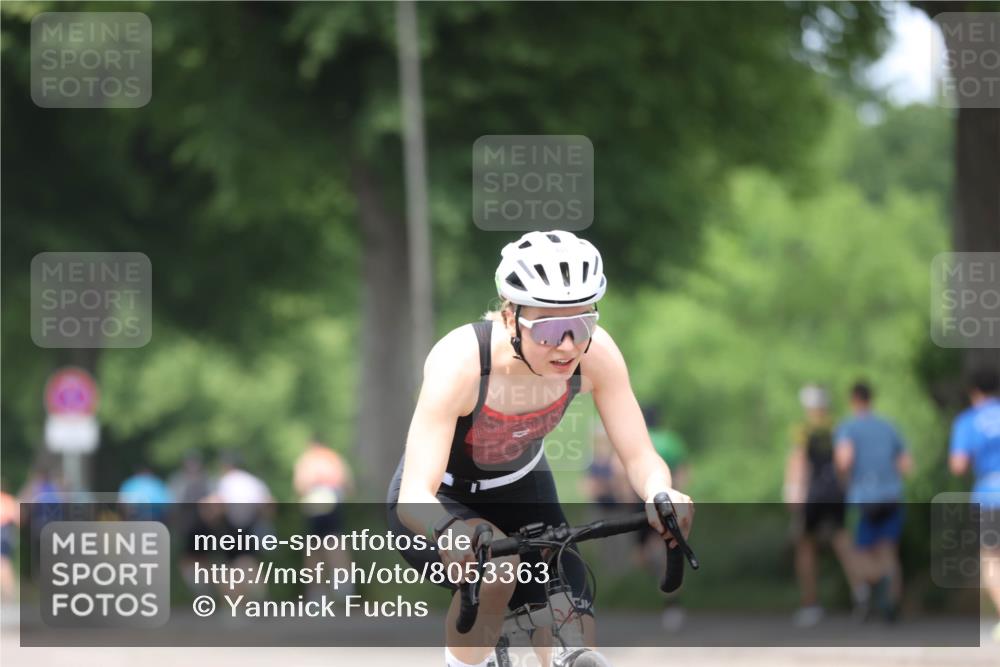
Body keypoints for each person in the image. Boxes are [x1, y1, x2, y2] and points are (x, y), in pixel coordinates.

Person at [387, 230, 694, 667]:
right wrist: (447, 530)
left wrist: (662, 493)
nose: (568, 345)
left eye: (582, 324)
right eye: (550, 329)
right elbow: (415, 492)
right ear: (511, 318)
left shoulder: (597, 355)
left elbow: (641, 457)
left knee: (575, 635)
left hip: (523, 488)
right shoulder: (462, 362)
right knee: (497, 573)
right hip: (441, 500)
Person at [834, 381, 913, 622]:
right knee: (889, 551)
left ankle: (878, 580)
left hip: (863, 498)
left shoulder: (848, 427)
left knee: (853, 549)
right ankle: (891, 603)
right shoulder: (889, 426)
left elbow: (844, 461)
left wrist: (844, 482)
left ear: (853, 399)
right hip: (891, 495)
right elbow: (906, 465)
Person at [783, 384, 857, 627]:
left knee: (805, 545)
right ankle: (861, 593)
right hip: (836, 493)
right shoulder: (838, 428)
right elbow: (844, 463)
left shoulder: (804, 431)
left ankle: (810, 604)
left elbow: (798, 461)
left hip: (813, 494)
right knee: (841, 541)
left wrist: (793, 491)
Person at [948, 366, 1000, 642]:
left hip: (989, 493)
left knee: (991, 558)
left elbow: (958, 465)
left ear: (974, 392)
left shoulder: (968, 421)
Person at [293, 437, 355, 600]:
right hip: (334, 502)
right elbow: (348, 485)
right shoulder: (334, 458)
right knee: (336, 544)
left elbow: (300, 485)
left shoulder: (308, 459)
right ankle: (344, 588)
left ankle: (317, 593)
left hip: (314, 504)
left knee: (314, 550)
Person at [0, 480, 19, 604]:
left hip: (3, 533)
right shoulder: (10, 500)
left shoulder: (5, 500)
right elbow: (18, 518)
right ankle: (8, 595)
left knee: (3, 564)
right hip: (8, 534)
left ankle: (9, 595)